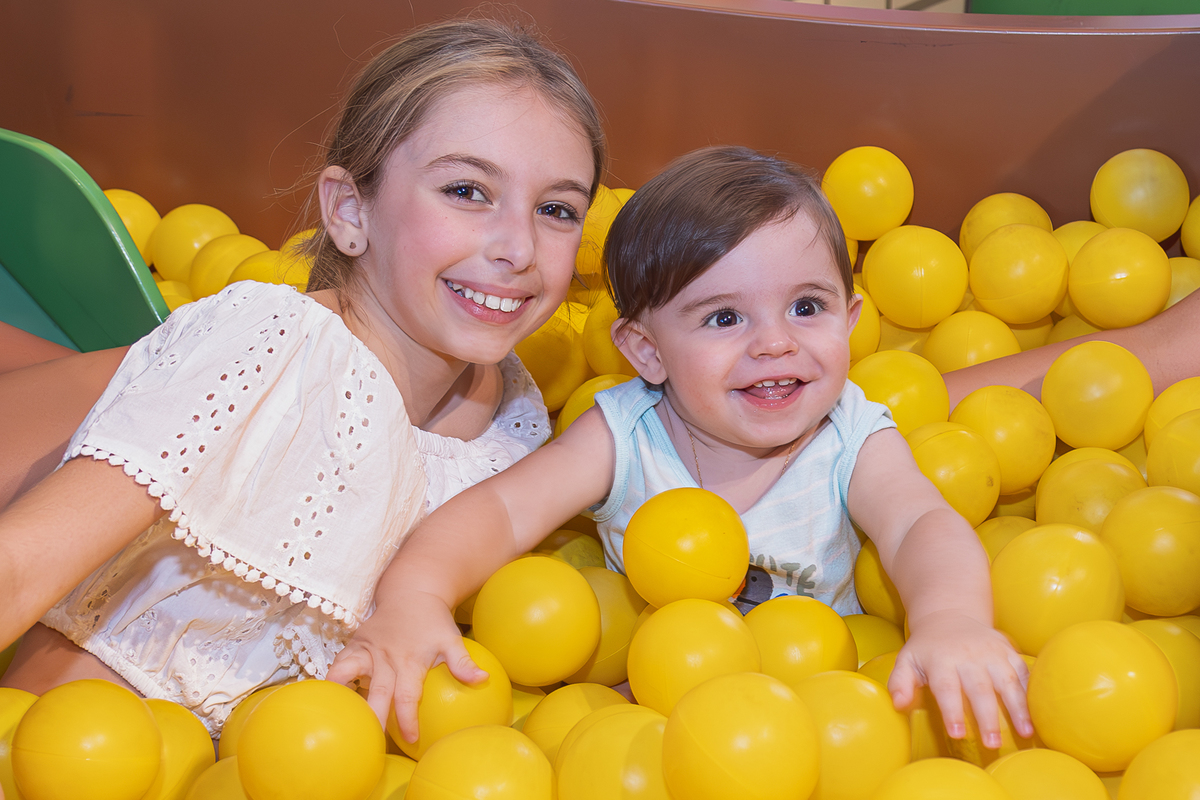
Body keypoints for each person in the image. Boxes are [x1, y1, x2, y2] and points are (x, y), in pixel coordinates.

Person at [0, 16, 606, 737]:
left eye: (557, 209)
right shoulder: (270, 347)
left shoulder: (506, 416)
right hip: (79, 736)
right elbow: (22, 563)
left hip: (259, 754)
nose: (519, 247)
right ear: (350, 212)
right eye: (467, 191)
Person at [329, 146, 1034, 751]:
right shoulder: (623, 433)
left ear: (851, 321)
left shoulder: (852, 436)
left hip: (828, 716)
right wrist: (416, 595)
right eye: (724, 317)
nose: (775, 342)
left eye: (807, 307)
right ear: (646, 350)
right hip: (651, 720)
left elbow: (920, 525)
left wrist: (951, 619)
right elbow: (501, 512)